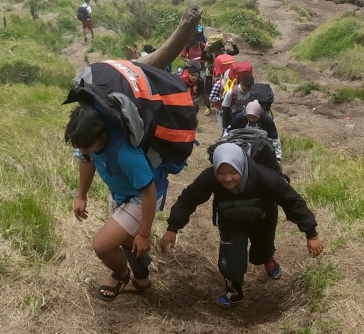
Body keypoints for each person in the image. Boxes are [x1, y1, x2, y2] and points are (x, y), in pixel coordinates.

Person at [161, 143, 323, 308]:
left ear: (241, 166)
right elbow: (189, 199)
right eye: (221, 173)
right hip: (231, 220)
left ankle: (267, 258)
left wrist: (312, 234)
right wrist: (173, 228)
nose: (227, 178)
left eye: (233, 172)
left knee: (262, 248)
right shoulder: (210, 177)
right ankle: (234, 291)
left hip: (263, 218)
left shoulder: (264, 176)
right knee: (231, 259)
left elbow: (292, 201)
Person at [65, 106, 167, 301]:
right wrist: (81, 197)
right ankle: (141, 281)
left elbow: (149, 191)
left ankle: (120, 275)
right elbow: (86, 160)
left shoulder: (127, 155)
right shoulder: (88, 143)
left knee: (102, 245)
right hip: (121, 194)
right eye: (78, 146)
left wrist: (145, 234)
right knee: (127, 240)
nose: (81, 150)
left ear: (102, 136)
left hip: (142, 197)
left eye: (85, 146)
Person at [203, 36, 239, 116]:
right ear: (215, 50)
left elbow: (236, 51)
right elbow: (203, 57)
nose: (221, 52)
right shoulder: (212, 56)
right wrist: (206, 48)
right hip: (211, 74)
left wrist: (233, 43)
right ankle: (208, 107)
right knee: (208, 91)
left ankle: (223, 104)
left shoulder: (226, 53)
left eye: (222, 50)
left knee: (223, 90)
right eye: (219, 50)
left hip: (224, 76)